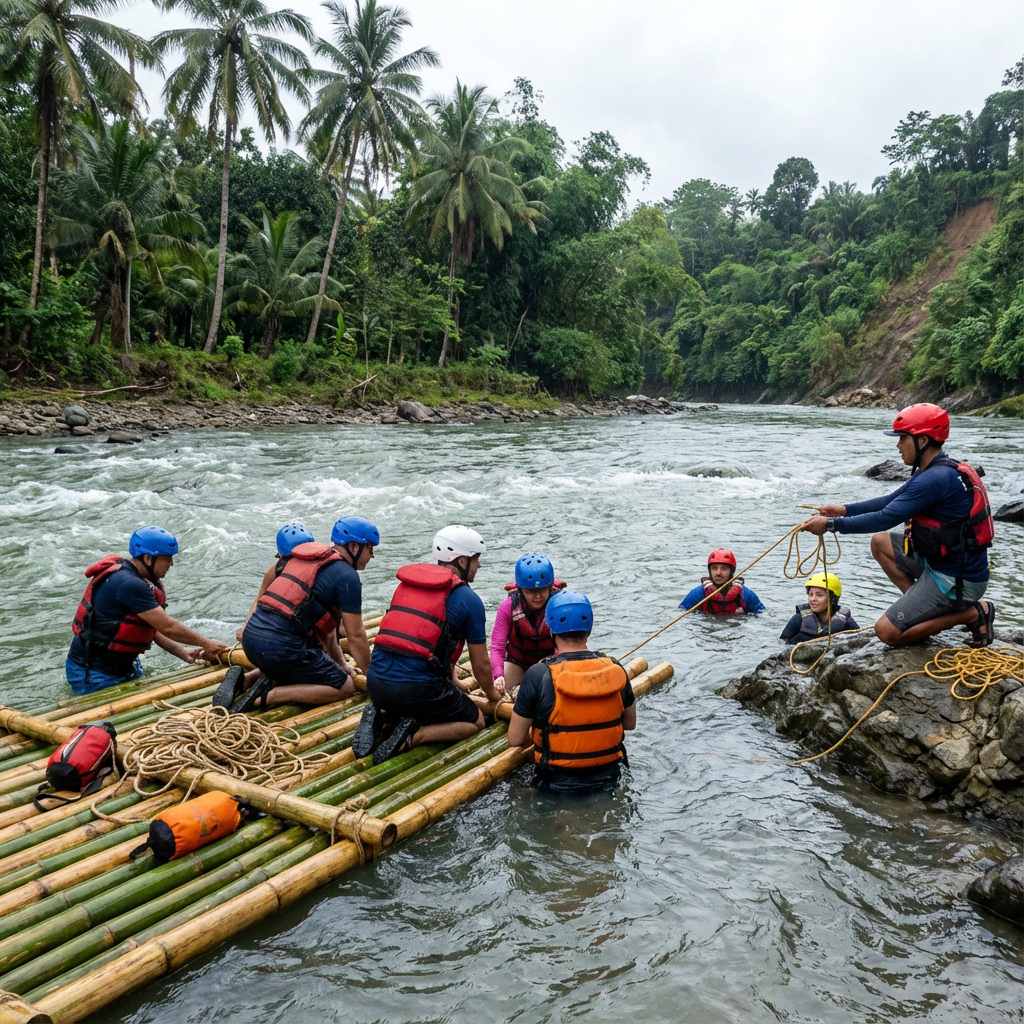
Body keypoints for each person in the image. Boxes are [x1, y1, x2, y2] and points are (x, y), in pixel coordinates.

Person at [803, 403, 995, 648]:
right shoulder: (935, 469)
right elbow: (889, 500)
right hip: (940, 565)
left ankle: (974, 613)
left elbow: (885, 517)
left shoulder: (935, 479)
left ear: (922, 441)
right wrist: (843, 509)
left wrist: (831, 525)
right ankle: (920, 615)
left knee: (886, 632)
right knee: (880, 542)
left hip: (956, 581)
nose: (898, 445)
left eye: (903, 438)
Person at [355, 525, 503, 764]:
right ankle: (416, 734)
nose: (479, 566)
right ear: (463, 561)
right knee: (474, 722)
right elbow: (481, 665)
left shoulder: (406, 586)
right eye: (477, 560)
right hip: (416, 690)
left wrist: (453, 682)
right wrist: (493, 696)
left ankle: (386, 718)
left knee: (412, 697)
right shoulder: (469, 599)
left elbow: (429, 641)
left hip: (376, 683)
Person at [229, 516, 378, 712]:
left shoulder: (308, 559)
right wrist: (372, 678)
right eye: (370, 549)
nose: (372, 556)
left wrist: (342, 664)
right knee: (344, 686)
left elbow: (328, 633)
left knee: (301, 653)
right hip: (281, 649)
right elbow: (356, 636)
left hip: (251, 641)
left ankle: (246, 681)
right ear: (354, 546)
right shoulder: (347, 577)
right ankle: (266, 698)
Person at [66, 526, 228, 695]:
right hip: (95, 673)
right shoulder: (129, 584)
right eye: (168, 558)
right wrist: (206, 643)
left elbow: (152, 628)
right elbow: (168, 627)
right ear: (148, 558)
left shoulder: (139, 580)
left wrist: (182, 652)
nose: (171, 563)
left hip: (121, 667)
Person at [507, 590, 636, 793]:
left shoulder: (539, 674)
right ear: (589, 630)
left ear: (551, 630)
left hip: (555, 784)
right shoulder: (614, 668)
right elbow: (630, 724)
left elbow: (515, 738)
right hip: (610, 779)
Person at [489, 552, 567, 695]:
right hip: (518, 663)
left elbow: (564, 645)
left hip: (551, 663)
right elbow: (497, 646)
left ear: (550, 586)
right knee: (498, 690)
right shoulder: (508, 607)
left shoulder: (559, 605)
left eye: (543, 590)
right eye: (531, 591)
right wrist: (498, 675)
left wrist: (550, 670)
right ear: (520, 589)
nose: (538, 596)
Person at [678, 548, 766, 615]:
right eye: (714, 568)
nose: (718, 573)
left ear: (731, 571)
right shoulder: (698, 594)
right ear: (710, 571)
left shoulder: (746, 595)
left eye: (724, 569)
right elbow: (680, 613)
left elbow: (763, 614)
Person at [780, 572, 859, 644]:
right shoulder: (798, 619)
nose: (812, 599)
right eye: (810, 594)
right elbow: (782, 643)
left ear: (832, 599)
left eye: (819, 595)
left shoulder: (846, 622)